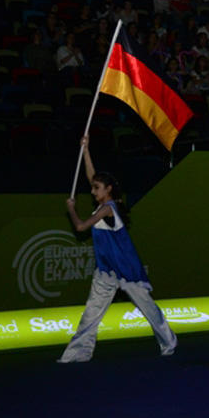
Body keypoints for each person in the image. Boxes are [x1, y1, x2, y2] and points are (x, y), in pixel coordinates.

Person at [58, 136, 177, 363]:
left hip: (126, 269)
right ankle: (77, 353)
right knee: (91, 314)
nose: (92, 191)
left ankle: (169, 341)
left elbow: (81, 226)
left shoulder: (108, 209)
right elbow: (91, 175)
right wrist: (86, 150)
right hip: (106, 270)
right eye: (93, 188)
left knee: (148, 308)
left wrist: (71, 209)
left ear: (109, 189)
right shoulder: (103, 204)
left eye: (97, 188)